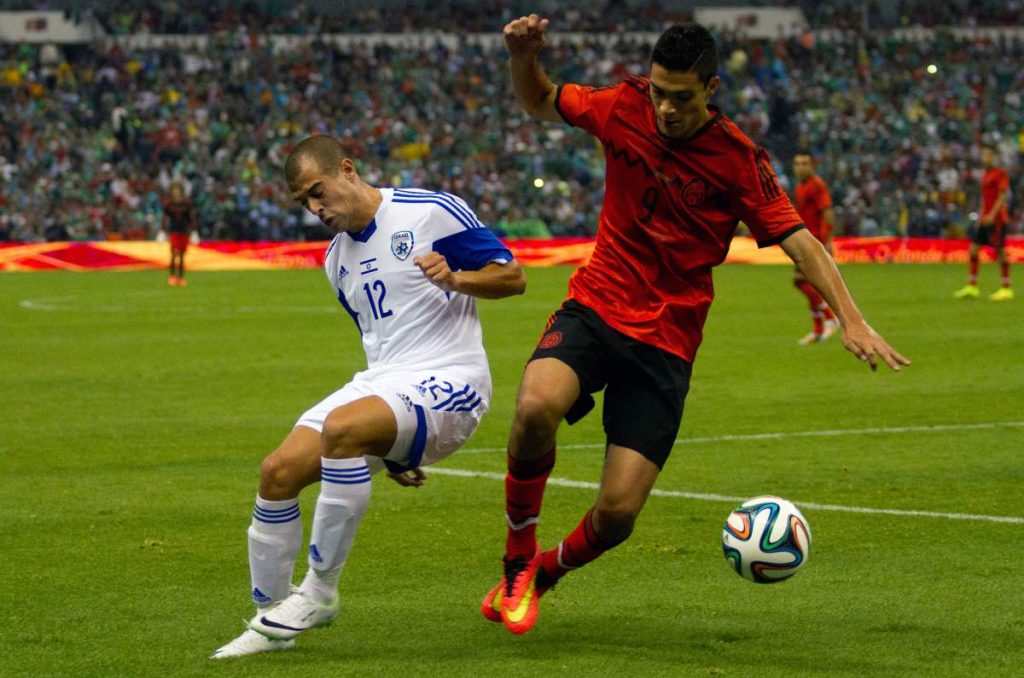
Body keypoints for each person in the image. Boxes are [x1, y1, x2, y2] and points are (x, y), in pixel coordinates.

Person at [483, 16, 910, 636]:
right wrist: (522, 58)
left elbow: (800, 240)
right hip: (598, 304)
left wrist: (854, 320)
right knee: (534, 407)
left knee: (617, 514)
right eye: (659, 92)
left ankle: (546, 572)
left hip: (666, 341)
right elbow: (540, 100)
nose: (666, 108)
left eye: (681, 97)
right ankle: (518, 558)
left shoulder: (738, 159)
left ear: (710, 88)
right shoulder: (622, 105)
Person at [212, 135, 526, 658]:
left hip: (454, 380)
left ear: (347, 170)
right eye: (304, 202)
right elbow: (379, 345)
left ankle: (319, 593)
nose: (315, 208)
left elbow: (512, 277)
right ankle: (269, 619)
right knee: (277, 472)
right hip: (386, 383)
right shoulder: (336, 260)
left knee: (342, 429)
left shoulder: (430, 211)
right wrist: (390, 442)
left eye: (317, 191)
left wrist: (456, 278)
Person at [791, 151, 839, 343]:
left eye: (804, 163)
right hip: (803, 240)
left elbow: (827, 212)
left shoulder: (817, 185)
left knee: (800, 280)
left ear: (812, 166)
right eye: (797, 163)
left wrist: (828, 241)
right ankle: (818, 329)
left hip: (814, 241)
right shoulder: (800, 187)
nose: (800, 167)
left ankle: (830, 317)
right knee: (807, 282)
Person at [954, 143, 1013, 301]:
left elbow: (1002, 197)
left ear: (994, 157)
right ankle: (972, 286)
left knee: (1000, 252)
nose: (985, 158)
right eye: (984, 155)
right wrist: (981, 216)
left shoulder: (1000, 174)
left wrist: (992, 215)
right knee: (973, 251)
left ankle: (1006, 288)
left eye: (988, 155)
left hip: (998, 219)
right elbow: (984, 198)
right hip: (985, 219)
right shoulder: (985, 174)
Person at [163, 182, 196, 286]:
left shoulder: (186, 204)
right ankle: (172, 276)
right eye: (174, 190)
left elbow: (190, 218)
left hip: (183, 231)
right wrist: (162, 231)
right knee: (173, 253)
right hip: (174, 231)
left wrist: (194, 231)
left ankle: (181, 277)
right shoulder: (169, 205)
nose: (176, 192)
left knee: (181, 255)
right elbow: (165, 218)